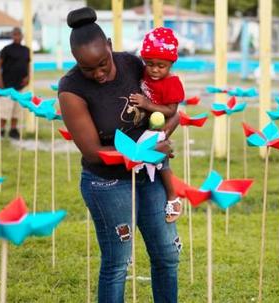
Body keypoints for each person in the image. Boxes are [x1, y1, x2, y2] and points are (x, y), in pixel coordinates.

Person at [58, 7, 180, 303]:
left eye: (103, 64)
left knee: (167, 254)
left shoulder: (131, 64)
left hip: (149, 175)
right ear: (76, 63)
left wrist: (164, 129)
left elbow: (167, 107)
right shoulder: (70, 90)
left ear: (110, 46)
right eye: (89, 70)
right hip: (108, 183)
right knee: (117, 263)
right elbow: (93, 151)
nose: (99, 74)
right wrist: (146, 151)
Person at [129, 27, 184, 223]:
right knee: (146, 157)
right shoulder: (144, 72)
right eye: (149, 63)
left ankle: (173, 196)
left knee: (159, 160)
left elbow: (171, 111)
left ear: (171, 63)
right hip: (145, 126)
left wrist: (147, 104)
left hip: (162, 125)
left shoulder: (172, 83)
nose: (154, 69)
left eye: (161, 66)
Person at [0, 27, 30, 139]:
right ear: (12, 36)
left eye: (18, 35)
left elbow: (28, 64)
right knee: (5, 109)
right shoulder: (6, 49)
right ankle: (1, 130)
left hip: (19, 85)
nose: (17, 37)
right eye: (14, 35)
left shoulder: (26, 50)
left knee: (17, 109)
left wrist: (28, 76)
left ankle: (13, 130)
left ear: (22, 36)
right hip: (6, 85)